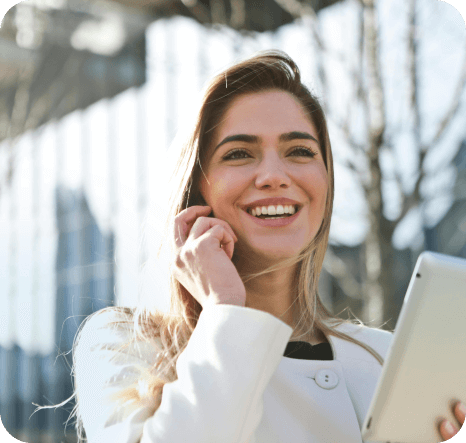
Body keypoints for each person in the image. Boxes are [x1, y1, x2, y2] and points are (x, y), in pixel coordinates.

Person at [43, 50, 464, 442]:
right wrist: (226, 309)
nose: (274, 175)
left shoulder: (388, 358)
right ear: (195, 189)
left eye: (299, 150)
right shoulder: (124, 346)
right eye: (240, 153)